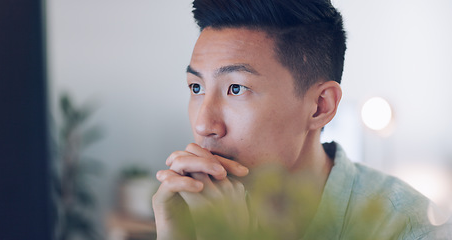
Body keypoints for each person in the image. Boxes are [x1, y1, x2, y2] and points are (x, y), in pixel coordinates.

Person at [152, 0, 452, 239]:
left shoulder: (411, 227)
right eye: (196, 87)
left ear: (320, 106)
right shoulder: (191, 213)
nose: (204, 125)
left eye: (236, 88)